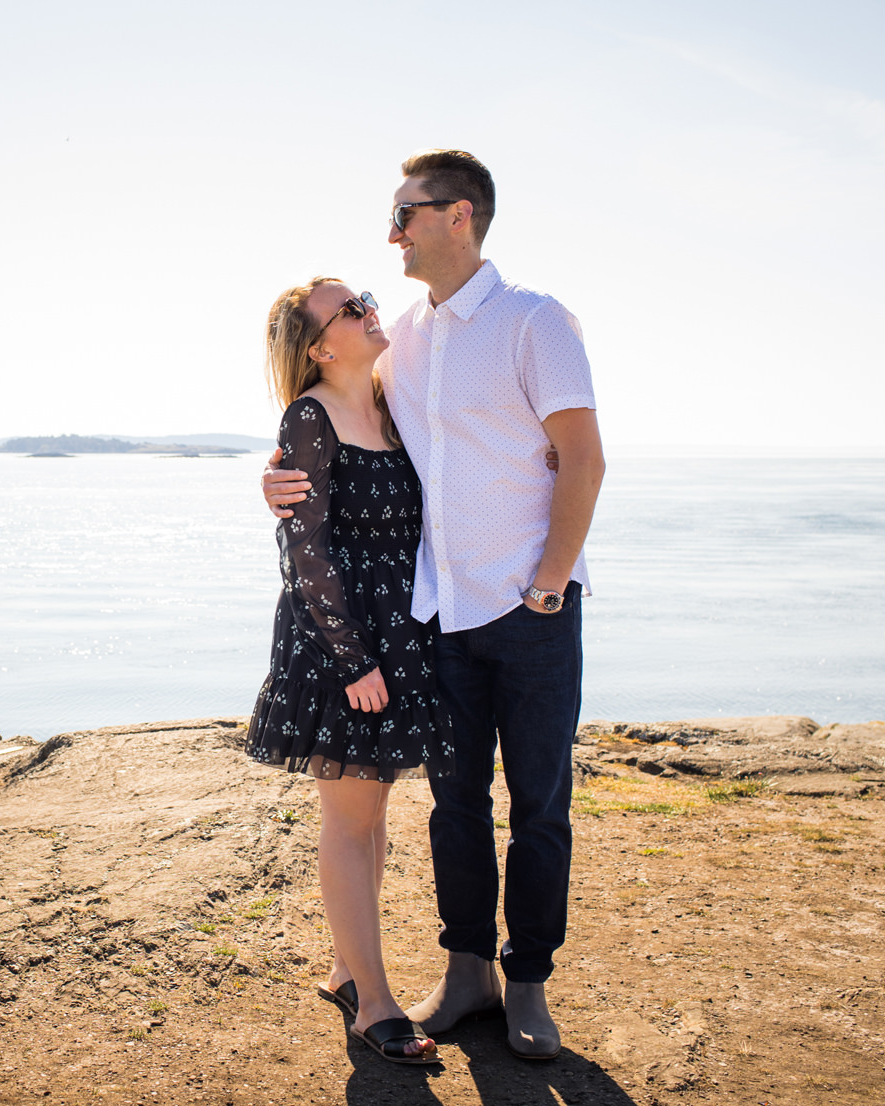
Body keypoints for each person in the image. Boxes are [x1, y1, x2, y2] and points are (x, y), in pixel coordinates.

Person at [262, 149, 605, 1061]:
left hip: (530, 611)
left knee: (538, 804)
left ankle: (527, 980)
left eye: (405, 215)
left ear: (459, 216)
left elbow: (584, 459)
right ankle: (465, 973)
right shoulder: (403, 340)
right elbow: (329, 434)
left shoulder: (535, 321)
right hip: (438, 618)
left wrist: (548, 584)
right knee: (454, 807)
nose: (392, 235)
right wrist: (281, 484)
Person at [248, 276, 455, 1065]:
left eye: (367, 298)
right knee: (350, 820)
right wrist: (355, 661)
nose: (372, 313)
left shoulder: (394, 404)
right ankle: (374, 1002)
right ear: (319, 346)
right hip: (344, 645)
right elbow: (305, 550)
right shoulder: (309, 416)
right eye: (352, 310)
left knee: (373, 819)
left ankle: (347, 968)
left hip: (403, 635)